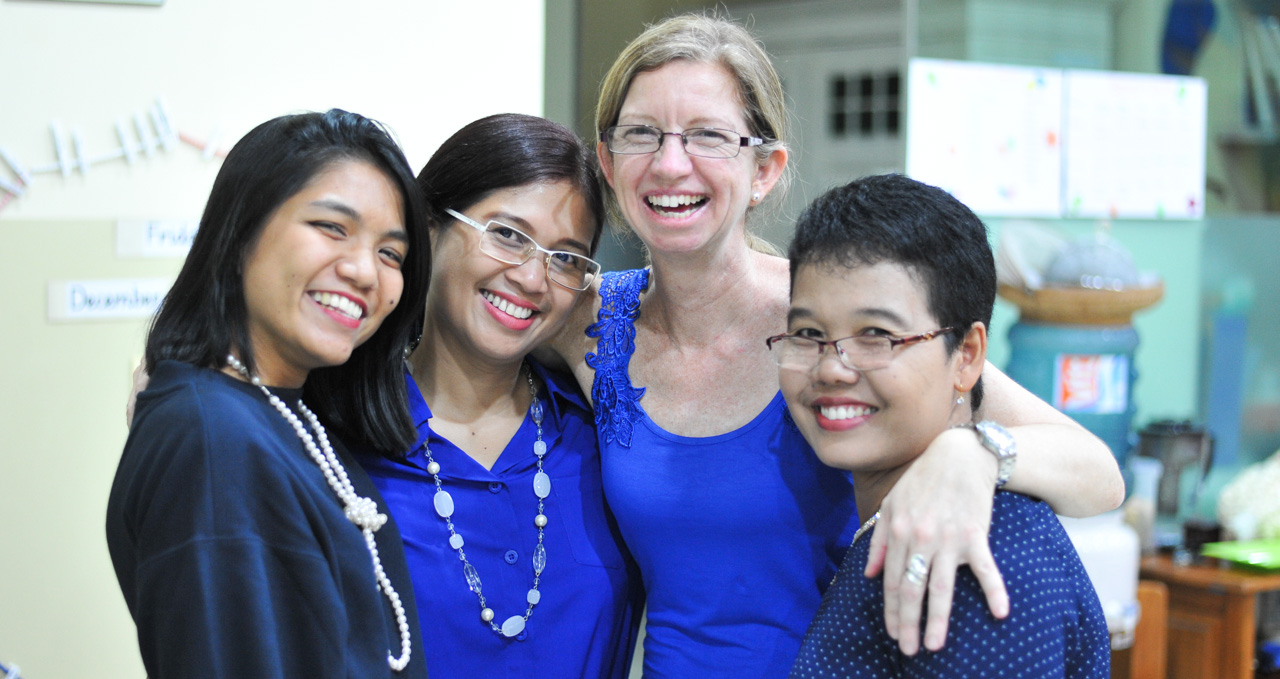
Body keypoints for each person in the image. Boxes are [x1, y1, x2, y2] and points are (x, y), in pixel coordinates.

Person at [544, 13, 1125, 677]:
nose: (671, 164)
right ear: (608, 161)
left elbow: (1098, 474)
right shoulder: (587, 318)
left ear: (765, 169)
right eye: (641, 134)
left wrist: (972, 451)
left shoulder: (831, 321)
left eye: (709, 136)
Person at [106, 110, 431, 678]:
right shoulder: (212, 438)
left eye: (391, 254)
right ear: (241, 231)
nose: (365, 272)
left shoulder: (279, 416)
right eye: (332, 227)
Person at [780, 174, 1110, 678]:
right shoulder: (905, 521)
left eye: (877, 335)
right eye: (808, 333)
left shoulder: (972, 555)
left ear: (967, 355)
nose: (831, 368)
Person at [357, 113, 643, 678]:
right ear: (429, 228)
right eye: (508, 235)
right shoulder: (340, 441)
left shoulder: (606, 438)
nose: (533, 279)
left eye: (565, 258)